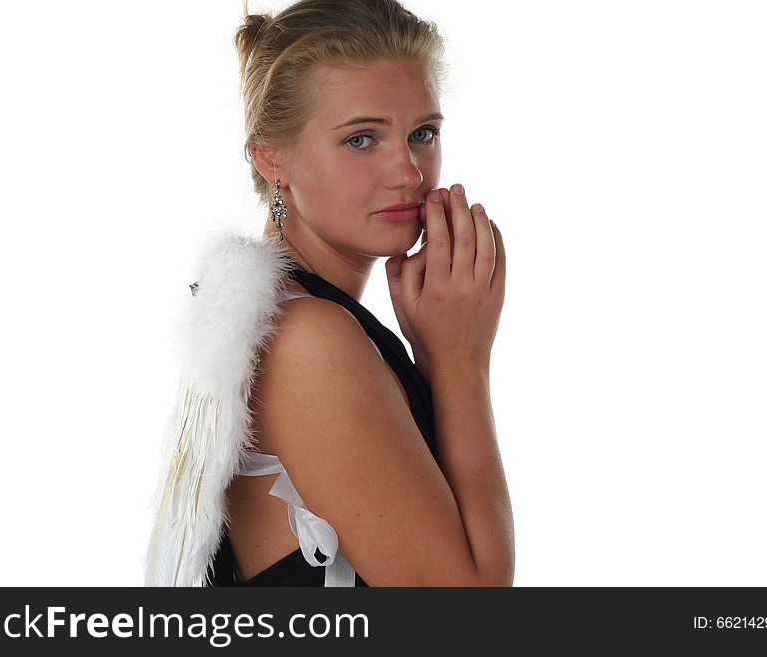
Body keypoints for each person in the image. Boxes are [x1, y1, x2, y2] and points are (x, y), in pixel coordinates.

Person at [146, 0, 514, 587]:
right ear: (271, 158)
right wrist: (459, 362)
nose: (409, 172)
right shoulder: (309, 340)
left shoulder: (286, 318)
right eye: (362, 139)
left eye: (423, 133)